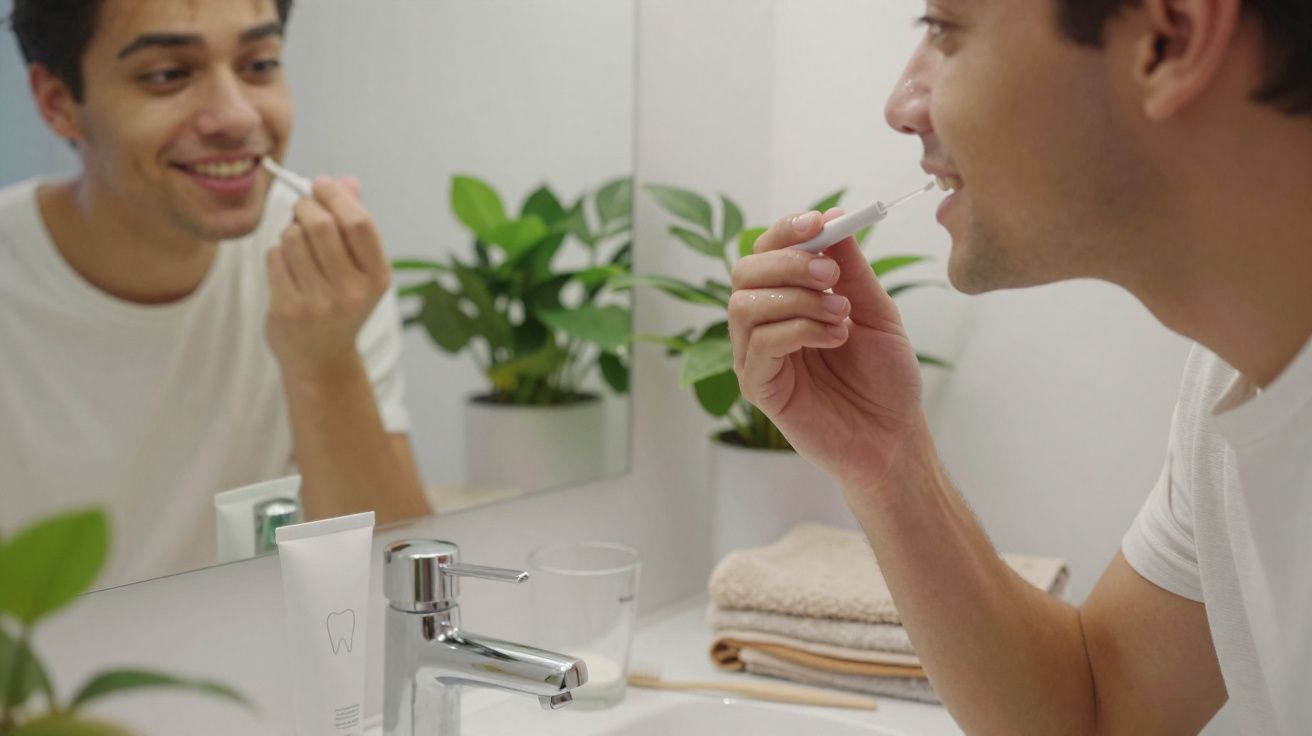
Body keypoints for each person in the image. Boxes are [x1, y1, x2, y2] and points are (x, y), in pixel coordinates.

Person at [729, 0, 1311, 732]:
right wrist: (890, 462)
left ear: (1171, 38)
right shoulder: (1229, 381)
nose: (902, 107)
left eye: (945, 29)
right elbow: (1095, 712)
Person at [1, 0, 429, 587]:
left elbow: (395, 585)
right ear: (57, 102)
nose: (234, 116)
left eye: (259, 64)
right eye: (167, 75)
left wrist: (324, 362)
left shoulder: (316, 265)